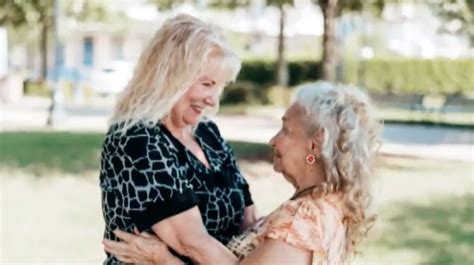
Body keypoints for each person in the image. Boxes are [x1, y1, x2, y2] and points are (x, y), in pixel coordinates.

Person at [103, 81, 383, 264]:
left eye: (286, 129)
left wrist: (161, 258)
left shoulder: (304, 220)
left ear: (315, 142)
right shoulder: (329, 203)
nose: (274, 140)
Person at [99, 14, 257, 264]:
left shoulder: (208, 133)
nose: (213, 100)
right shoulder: (137, 139)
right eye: (206, 84)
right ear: (170, 77)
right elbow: (192, 243)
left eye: (220, 86)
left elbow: (248, 222)